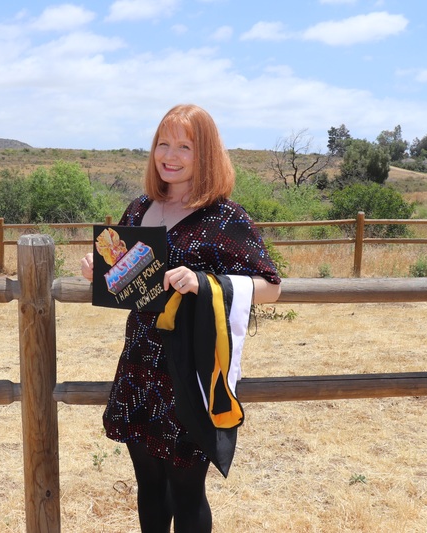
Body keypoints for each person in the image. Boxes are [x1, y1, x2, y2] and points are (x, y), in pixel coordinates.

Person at [80, 104, 281, 532]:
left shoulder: (225, 217)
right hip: (139, 364)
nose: (170, 155)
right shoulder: (138, 209)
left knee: (187, 492)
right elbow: (130, 277)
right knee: (149, 487)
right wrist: (97, 273)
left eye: (184, 146)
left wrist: (204, 281)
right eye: (163, 144)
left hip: (189, 370)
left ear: (205, 153)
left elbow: (271, 286)